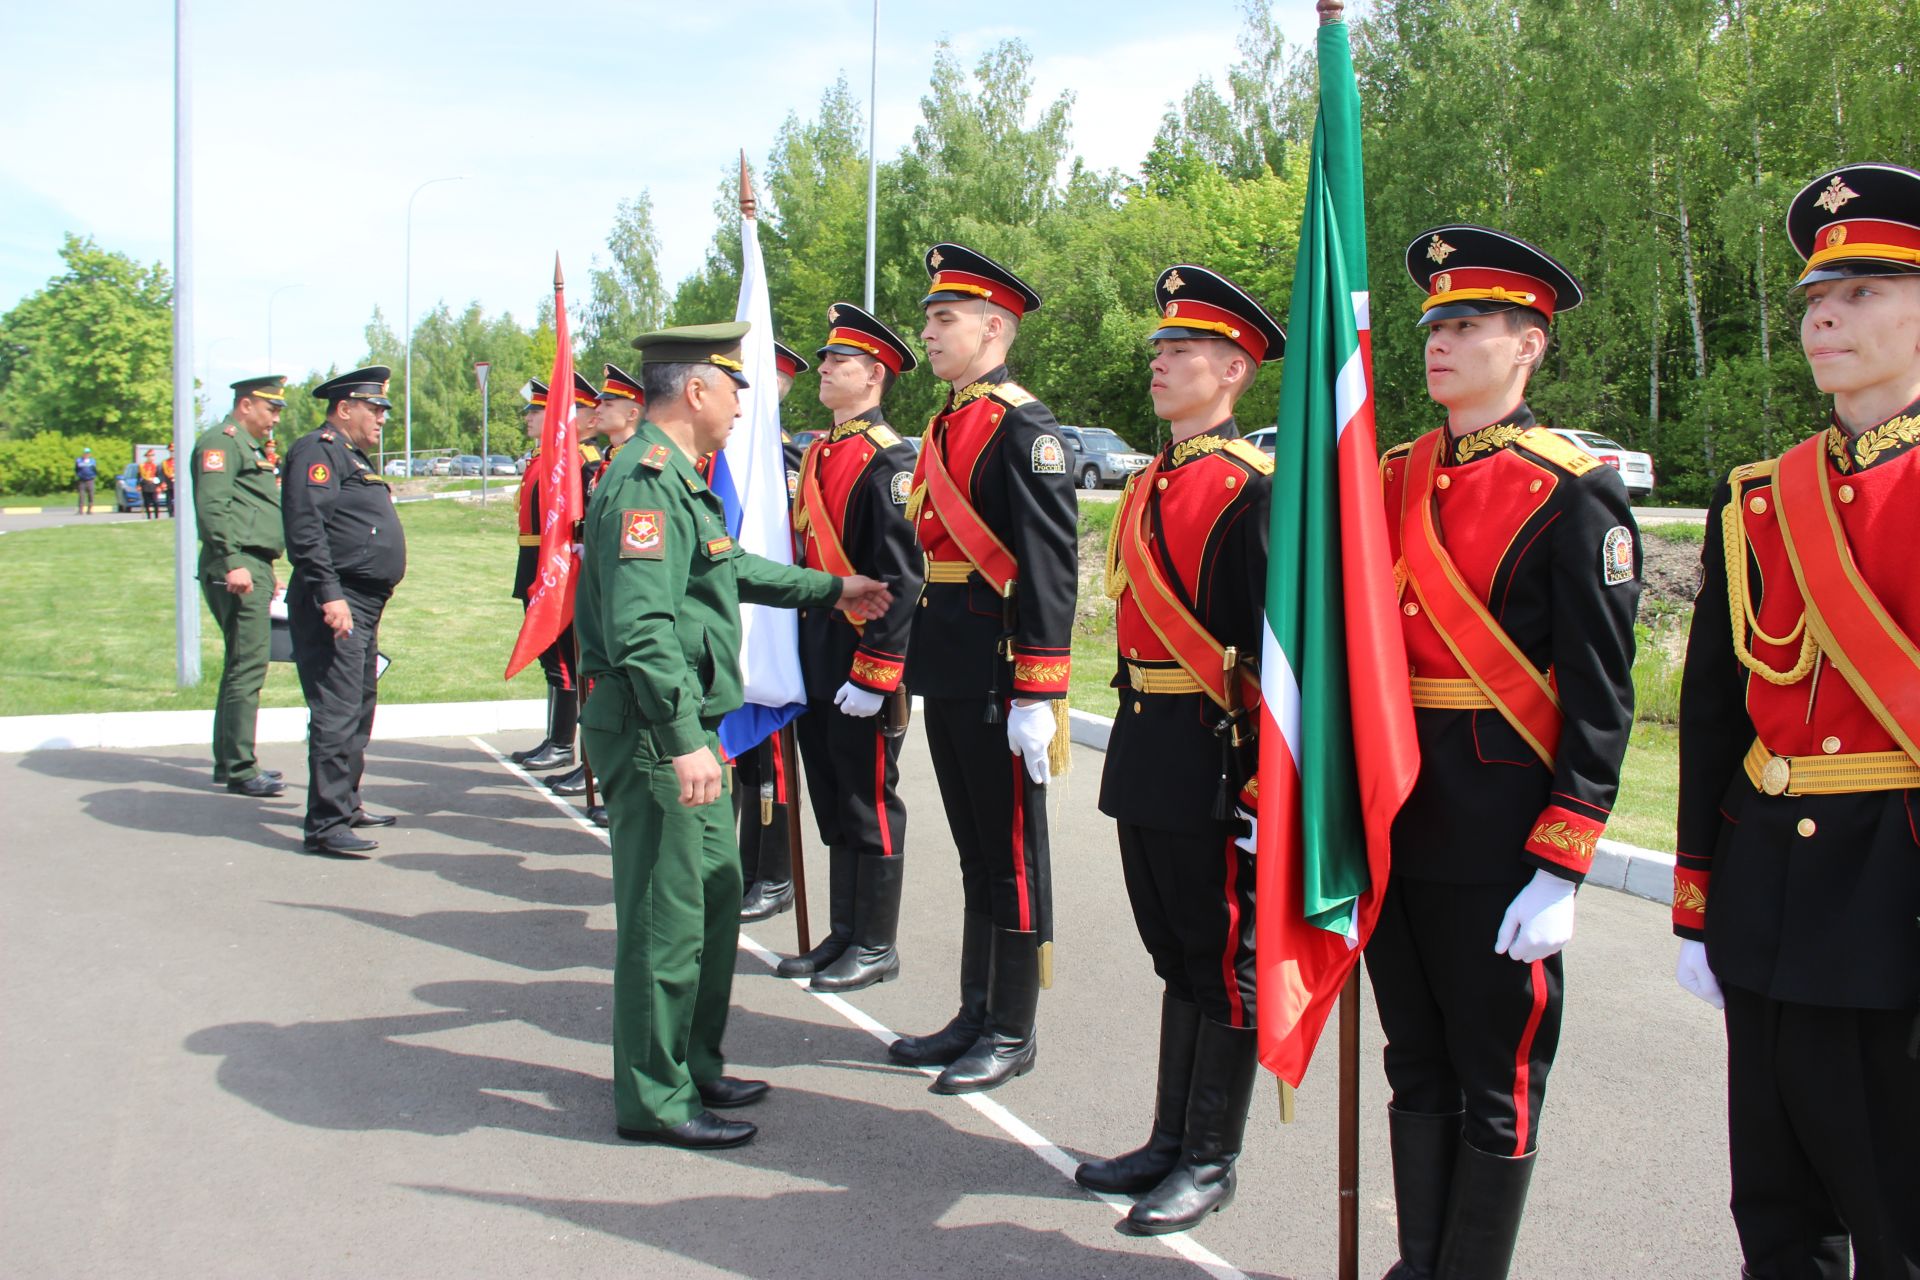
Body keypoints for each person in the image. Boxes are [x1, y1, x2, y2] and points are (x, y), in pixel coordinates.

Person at [1370, 226, 1640, 1279]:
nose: (1438, 338)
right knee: (1415, 1061)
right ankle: (1418, 1262)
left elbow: (1600, 694)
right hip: (1398, 812)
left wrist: (1563, 855)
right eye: (1433, 321)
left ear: (1528, 345)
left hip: (1500, 829)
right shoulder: (1387, 476)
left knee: (1497, 1076)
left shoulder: (1573, 488)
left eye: (1467, 322)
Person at [1672, 162, 1920, 1279]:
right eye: (1819, 294)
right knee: (1774, 1215)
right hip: (1768, 888)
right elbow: (1716, 714)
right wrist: (1697, 892)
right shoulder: (1760, 495)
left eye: (1864, 290)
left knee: (1899, 1217)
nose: (1825, 313)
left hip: (1895, 899)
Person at [573, 321, 892, 1150]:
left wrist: (834, 588)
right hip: (658, 731)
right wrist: (682, 739)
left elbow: (729, 568)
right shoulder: (644, 485)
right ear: (696, 392)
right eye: (733, 385)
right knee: (664, 915)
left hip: (689, 726)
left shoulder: (679, 479)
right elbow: (643, 630)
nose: (745, 403)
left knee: (713, 899)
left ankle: (695, 1064)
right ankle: (655, 1098)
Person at [1078, 265, 1282, 1234]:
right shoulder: (1152, 479)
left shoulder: (1254, 492)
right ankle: (1168, 1139)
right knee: (1175, 954)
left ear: (1235, 369)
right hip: (1149, 743)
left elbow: (1283, 656)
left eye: (1183, 350)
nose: (1161, 363)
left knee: (1225, 958)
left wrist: (1263, 785)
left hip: (1217, 755)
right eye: (1159, 348)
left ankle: (1210, 1154)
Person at [888, 243, 1078, 1095]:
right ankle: (974, 1012)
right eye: (929, 319)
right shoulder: (944, 422)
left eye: (944, 319)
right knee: (972, 851)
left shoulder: (1023, 428)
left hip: (1002, 669)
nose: (928, 333)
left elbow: (1048, 565)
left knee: (1011, 854)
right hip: (951, 659)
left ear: (994, 327)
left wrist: (1041, 687)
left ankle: (1014, 1026)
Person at [770, 303, 924, 991]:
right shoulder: (822, 452)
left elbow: (899, 576)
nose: (825, 367)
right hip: (816, 647)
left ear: (876, 376)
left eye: (841, 360)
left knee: (867, 799)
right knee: (832, 797)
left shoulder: (888, 460)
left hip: (859, 654)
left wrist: (876, 672)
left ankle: (876, 942)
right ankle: (844, 932)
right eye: (827, 358)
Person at [282, 367, 408, 858]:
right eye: (374, 409)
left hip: (363, 600)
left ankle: (347, 803)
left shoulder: (351, 456)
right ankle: (326, 823)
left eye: (383, 410)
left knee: (358, 706)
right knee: (335, 711)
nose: (381, 418)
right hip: (337, 599)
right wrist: (330, 594)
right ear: (344, 407)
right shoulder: (318, 451)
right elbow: (306, 528)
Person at [735, 340, 811, 922]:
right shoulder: (742, 460)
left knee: (773, 761)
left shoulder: (780, 464)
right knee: (749, 759)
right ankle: (748, 864)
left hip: (778, 619)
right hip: (748, 612)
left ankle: (776, 874)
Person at [194, 375, 291, 797]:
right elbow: (213, 508)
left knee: (241, 664)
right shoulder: (221, 444)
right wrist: (234, 562)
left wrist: (265, 565)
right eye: (271, 409)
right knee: (247, 665)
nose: (274, 419)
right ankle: (239, 766)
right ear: (246, 404)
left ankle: (230, 761)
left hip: (253, 564)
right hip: (236, 566)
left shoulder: (246, 447)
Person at [511, 375, 602, 774]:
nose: (533, 417)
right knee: (553, 659)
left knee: (566, 659)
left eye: (541, 410)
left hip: (561, 568)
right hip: (534, 560)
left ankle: (567, 744)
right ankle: (557, 738)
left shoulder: (583, 461)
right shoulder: (546, 457)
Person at [138, 449, 162, 519]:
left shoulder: (156, 466)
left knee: (155, 502)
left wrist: (158, 486)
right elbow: (139, 477)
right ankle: (149, 516)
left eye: (152, 456)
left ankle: (157, 516)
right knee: (147, 503)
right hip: (145, 486)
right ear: (147, 457)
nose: (151, 458)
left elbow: (158, 477)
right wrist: (138, 485)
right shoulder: (142, 466)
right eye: (149, 456)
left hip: (153, 486)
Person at [74, 447, 97, 515]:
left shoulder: (92, 461)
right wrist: (79, 475)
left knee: (91, 495)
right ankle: (80, 510)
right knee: (81, 495)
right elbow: (76, 469)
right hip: (82, 480)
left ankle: (90, 509)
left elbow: (95, 470)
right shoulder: (79, 460)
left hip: (90, 480)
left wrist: (93, 476)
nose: (86, 454)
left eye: (88, 453)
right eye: (85, 453)